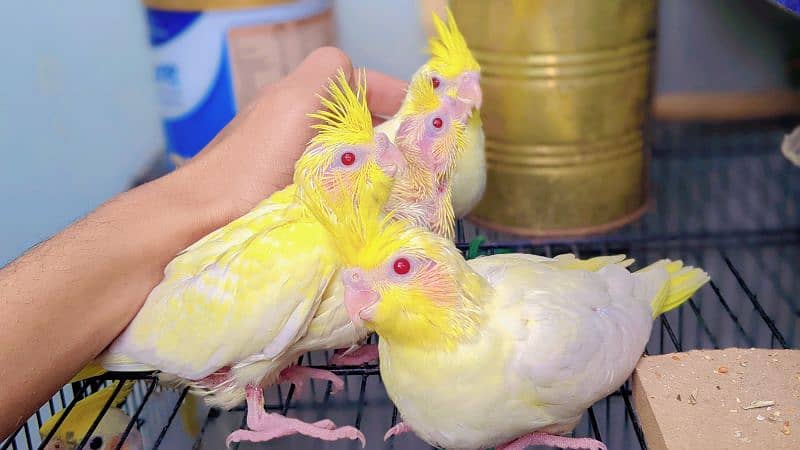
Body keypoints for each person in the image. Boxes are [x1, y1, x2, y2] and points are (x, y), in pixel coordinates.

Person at [0, 47, 407, 439]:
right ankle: (259, 415)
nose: (381, 156)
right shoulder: (308, 246)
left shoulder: (327, 226)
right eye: (351, 159)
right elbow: (245, 346)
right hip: (168, 342)